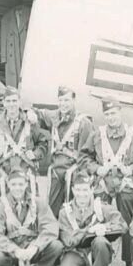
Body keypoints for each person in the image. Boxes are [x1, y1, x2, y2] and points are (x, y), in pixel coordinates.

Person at [80, 97, 133, 266]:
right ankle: (100, 262)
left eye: (113, 113)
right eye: (107, 114)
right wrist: (97, 168)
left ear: (120, 112)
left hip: (125, 185)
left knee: (128, 224)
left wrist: (131, 169)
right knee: (99, 222)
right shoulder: (97, 134)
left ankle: (128, 262)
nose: (110, 117)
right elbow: (84, 157)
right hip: (103, 185)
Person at [26, 85, 94, 217]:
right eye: (61, 100)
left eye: (67, 100)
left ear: (74, 101)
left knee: (73, 210)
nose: (63, 104)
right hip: (56, 171)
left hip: (74, 171)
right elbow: (37, 112)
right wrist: (30, 112)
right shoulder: (54, 116)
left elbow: (86, 154)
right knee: (52, 210)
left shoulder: (83, 123)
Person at [0, 168, 63, 266]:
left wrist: (36, 246)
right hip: (13, 250)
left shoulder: (39, 203)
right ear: (8, 185)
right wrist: (14, 249)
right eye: (13, 184)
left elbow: (50, 227)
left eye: (20, 184)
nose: (17, 188)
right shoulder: (0, 207)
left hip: (33, 248)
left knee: (56, 245)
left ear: (26, 184)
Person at [57, 171, 126, 266]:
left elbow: (122, 225)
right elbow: (69, 241)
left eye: (85, 190)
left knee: (100, 242)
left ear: (91, 190)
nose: (81, 194)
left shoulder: (100, 207)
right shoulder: (65, 212)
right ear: (72, 190)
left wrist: (104, 227)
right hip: (77, 252)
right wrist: (88, 231)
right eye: (78, 190)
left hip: (97, 252)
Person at [0, 86, 48, 201]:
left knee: (30, 206)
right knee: (3, 207)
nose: (11, 104)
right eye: (8, 101)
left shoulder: (30, 122)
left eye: (14, 101)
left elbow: (42, 143)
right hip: (4, 171)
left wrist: (35, 154)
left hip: (25, 171)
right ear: (3, 103)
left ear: (19, 102)